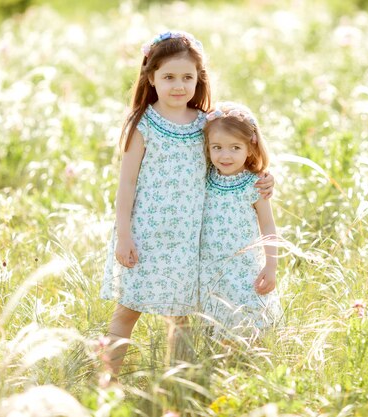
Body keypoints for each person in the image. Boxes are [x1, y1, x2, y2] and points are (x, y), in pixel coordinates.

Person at [99, 31, 274, 377]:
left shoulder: (204, 123)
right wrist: (124, 234)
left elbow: (237, 149)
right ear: (151, 78)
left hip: (187, 240)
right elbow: (127, 183)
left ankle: (175, 385)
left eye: (187, 78)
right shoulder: (143, 123)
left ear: (199, 79)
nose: (178, 86)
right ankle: (107, 382)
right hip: (145, 235)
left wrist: (267, 176)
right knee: (127, 310)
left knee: (181, 317)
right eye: (168, 77)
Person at [199, 101, 281, 341]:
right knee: (214, 321)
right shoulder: (204, 178)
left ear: (250, 148)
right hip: (210, 267)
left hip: (244, 267)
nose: (225, 155)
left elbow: (268, 226)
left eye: (235, 147)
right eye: (217, 147)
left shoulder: (253, 184)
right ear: (208, 148)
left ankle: (247, 358)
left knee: (246, 319)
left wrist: (271, 265)